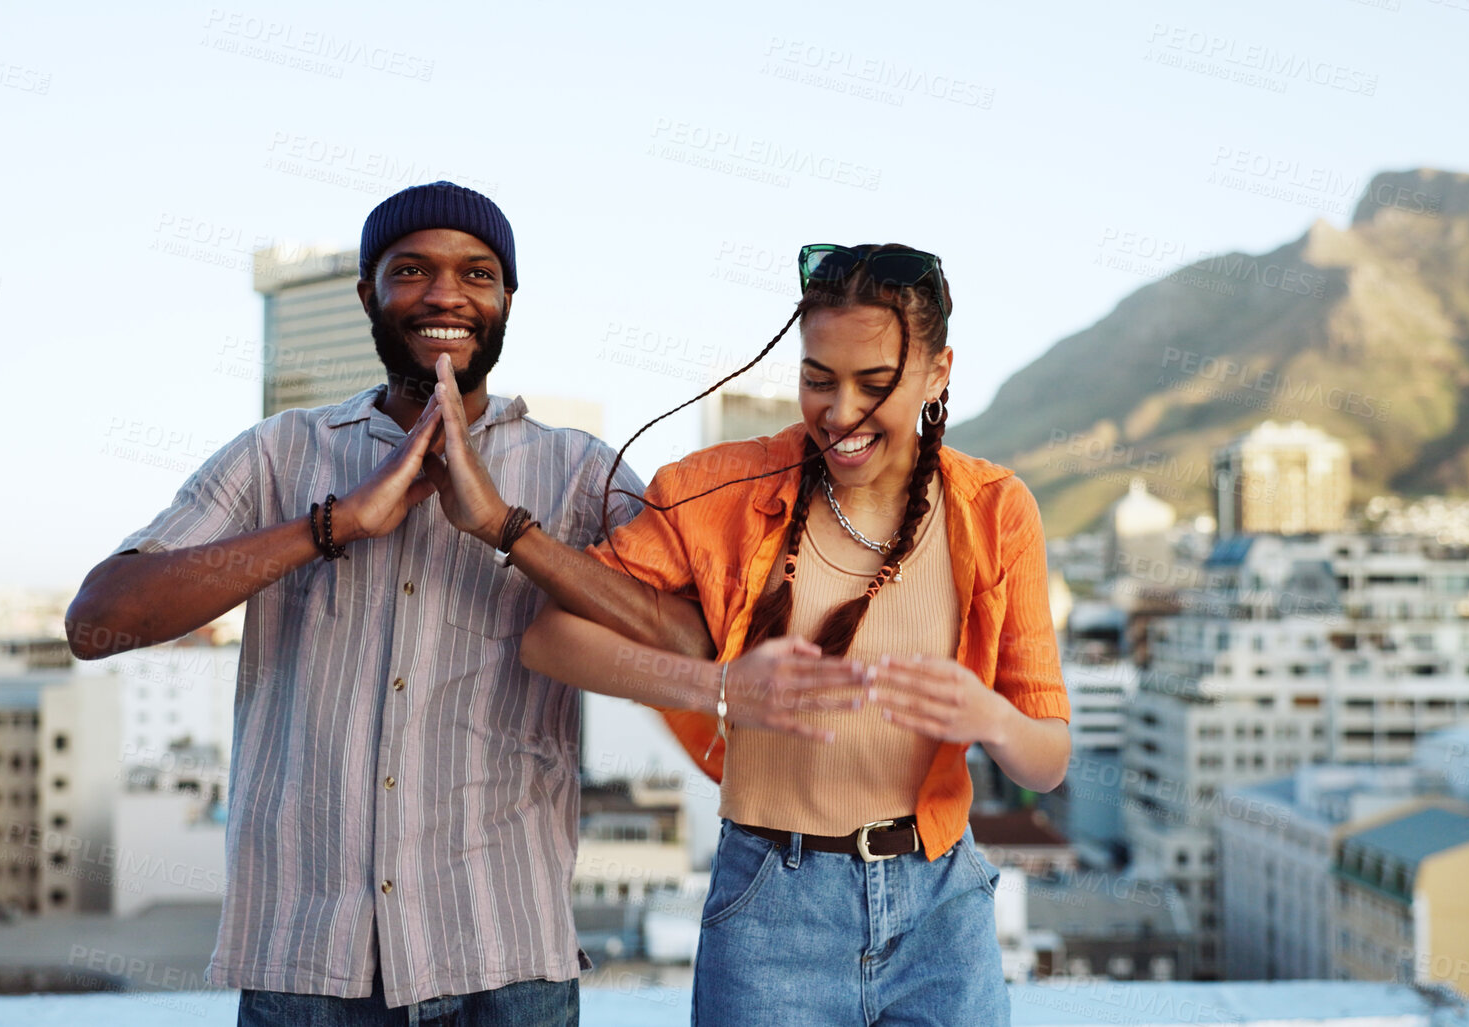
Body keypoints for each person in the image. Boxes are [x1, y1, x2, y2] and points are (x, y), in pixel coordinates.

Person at [65, 181, 753, 1026]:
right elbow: (99, 617)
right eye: (412, 270)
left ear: (505, 300)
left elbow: (695, 647)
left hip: (506, 959)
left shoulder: (579, 472)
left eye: (476, 273)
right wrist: (335, 523)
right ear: (368, 294)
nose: (445, 294)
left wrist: (506, 527)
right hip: (305, 963)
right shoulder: (279, 453)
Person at [520, 243, 1071, 1026]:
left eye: (873, 384)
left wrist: (990, 718)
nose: (839, 413)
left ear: (937, 373)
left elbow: (1047, 760)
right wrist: (721, 687)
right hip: (770, 906)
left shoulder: (995, 510)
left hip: (942, 909)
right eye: (818, 379)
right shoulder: (719, 490)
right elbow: (548, 639)